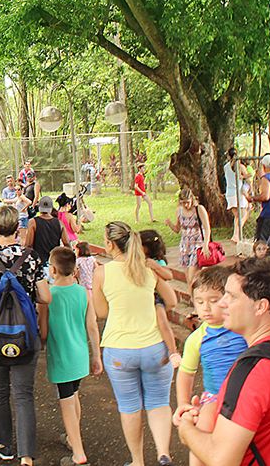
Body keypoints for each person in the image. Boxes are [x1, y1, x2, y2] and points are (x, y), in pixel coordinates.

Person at [175, 257, 270, 466]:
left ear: (261, 307)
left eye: (232, 297)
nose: (223, 303)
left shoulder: (251, 375)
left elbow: (221, 460)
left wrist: (186, 429)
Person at [0, 205, 51, 465]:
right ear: (18, 228)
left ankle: (5, 446)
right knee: (24, 394)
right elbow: (46, 297)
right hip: (26, 332)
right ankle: (27, 454)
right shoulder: (32, 257)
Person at [93, 221, 176, 466]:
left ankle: (137, 461)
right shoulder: (147, 268)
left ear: (109, 244)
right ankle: (163, 454)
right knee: (159, 403)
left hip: (120, 351)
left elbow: (102, 312)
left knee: (130, 407)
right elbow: (170, 300)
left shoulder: (102, 273)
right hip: (155, 348)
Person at [175, 266, 249, 466]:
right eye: (199, 302)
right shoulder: (196, 339)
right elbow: (186, 373)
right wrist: (183, 404)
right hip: (215, 396)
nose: (205, 308)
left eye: (213, 301)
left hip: (247, 394)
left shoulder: (242, 326)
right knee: (202, 428)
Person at [37, 247, 102, 466]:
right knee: (73, 396)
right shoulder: (83, 292)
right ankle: (72, 439)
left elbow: (43, 331)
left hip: (61, 355)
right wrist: (97, 356)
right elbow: (92, 326)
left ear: (52, 270)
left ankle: (79, 454)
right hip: (80, 355)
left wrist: (42, 344)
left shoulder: (48, 296)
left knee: (66, 402)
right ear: (74, 270)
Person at [140, 230, 182, 370]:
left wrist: (155, 266)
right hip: (145, 296)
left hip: (156, 296)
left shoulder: (157, 262)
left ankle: (173, 351)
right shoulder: (139, 260)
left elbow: (168, 276)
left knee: (163, 322)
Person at [165, 188, 210, 288]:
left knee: (192, 276)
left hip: (197, 243)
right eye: (183, 203)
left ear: (192, 200)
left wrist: (205, 245)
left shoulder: (199, 209)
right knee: (188, 280)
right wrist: (170, 224)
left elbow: (207, 228)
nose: (186, 205)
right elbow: (177, 229)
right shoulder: (179, 211)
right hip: (185, 245)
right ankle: (194, 300)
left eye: (187, 202)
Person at [24, 196, 71, 270]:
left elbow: (29, 245)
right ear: (51, 208)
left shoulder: (33, 222)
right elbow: (67, 244)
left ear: (39, 207)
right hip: (54, 263)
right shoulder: (59, 223)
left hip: (38, 262)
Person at [223, 148, 252, 243]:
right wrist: (250, 187)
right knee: (244, 215)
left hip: (230, 194)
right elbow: (249, 179)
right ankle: (237, 233)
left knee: (237, 216)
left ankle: (236, 236)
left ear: (228, 156)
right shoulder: (240, 167)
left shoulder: (226, 167)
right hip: (238, 193)